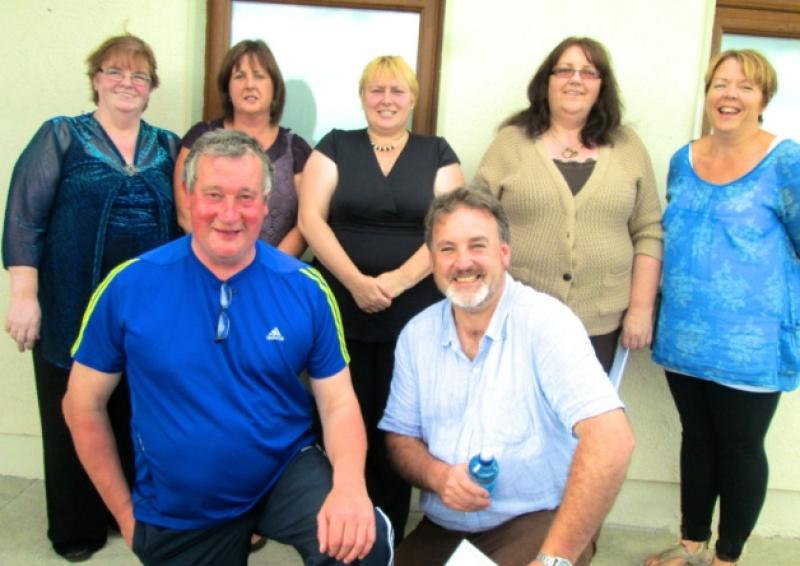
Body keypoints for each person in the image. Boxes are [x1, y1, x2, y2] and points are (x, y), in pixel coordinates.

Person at [62, 129, 392, 566]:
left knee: (363, 546)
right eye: (214, 195)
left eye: (246, 197)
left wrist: (349, 487)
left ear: (266, 203)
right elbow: (82, 405)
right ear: (188, 197)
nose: (229, 214)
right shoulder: (129, 286)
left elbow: (338, 404)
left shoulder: (304, 288)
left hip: (283, 469)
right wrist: (125, 515)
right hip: (182, 501)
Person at [379, 185, 636, 566]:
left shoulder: (547, 324)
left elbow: (612, 440)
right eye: (447, 249)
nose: (462, 262)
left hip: (536, 520)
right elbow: (400, 437)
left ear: (504, 253)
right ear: (432, 260)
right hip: (446, 527)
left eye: (477, 246)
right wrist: (438, 476)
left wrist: (553, 561)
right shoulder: (417, 335)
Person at [2, 34, 179, 561]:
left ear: (151, 88)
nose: (127, 82)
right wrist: (24, 295)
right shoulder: (61, 136)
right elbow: (24, 219)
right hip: (70, 305)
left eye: (139, 75)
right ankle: (77, 526)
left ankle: (128, 514)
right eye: (115, 71)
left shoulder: (169, 146)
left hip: (147, 313)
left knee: (137, 413)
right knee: (73, 413)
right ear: (96, 80)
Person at [299, 55, 464, 542]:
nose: (386, 99)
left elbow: (447, 227)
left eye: (397, 91)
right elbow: (311, 220)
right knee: (337, 411)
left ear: (413, 99)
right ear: (362, 97)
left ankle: (386, 528)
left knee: (399, 419)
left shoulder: (437, 152)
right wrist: (355, 282)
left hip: (412, 309)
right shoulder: (335, 145)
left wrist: (394, 282)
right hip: (340, 305)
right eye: (377, 90)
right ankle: (337, 521)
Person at [647, 50, 799, 566]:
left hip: (751, 343)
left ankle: (727, 555)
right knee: (697, 439)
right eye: (721, 83)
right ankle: (691, 543)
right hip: (684, 334)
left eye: (745, 86)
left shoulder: (786, 162)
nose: (730, 94)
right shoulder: (682, 160)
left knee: (739, 447)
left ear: (763, 99)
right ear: (707, 92)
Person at [475, 36, 663, 372]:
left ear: (601, 86)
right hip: (519, 315)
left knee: (587, 406)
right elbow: (478, 226)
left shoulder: (628, 146)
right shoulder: (510, 143)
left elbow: (648, 231)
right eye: (564, 70)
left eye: (588, 72)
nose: (575, 79)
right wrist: (480, 301)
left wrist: (640, 309)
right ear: (546, 81)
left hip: (601, 322)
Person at [174, 39, 311, 257]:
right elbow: (185, 212)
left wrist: (267, 267)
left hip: (273, 269)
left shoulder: (296, 150)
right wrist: (220, 260)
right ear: (227, 88)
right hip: (206, 264)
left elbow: (306, 223)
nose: (249, 85)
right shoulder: (200, 138)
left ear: (274, 88)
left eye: (259, 76)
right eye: (239, 76)